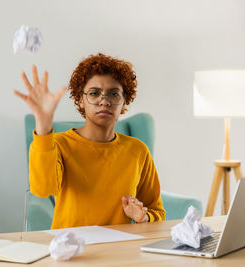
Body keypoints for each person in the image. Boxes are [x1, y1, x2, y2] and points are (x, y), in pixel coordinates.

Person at [14, 53, 165, 229]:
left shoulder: (138, 151)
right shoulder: (58, 144)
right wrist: (43, 124)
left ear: (124, 101)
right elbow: (42, 189)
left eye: (114, 94)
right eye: (94, 93)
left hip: (119, 249)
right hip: (69, 248)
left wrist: (143, 217)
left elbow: (157, 212)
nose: (104, 101)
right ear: (80, 100)